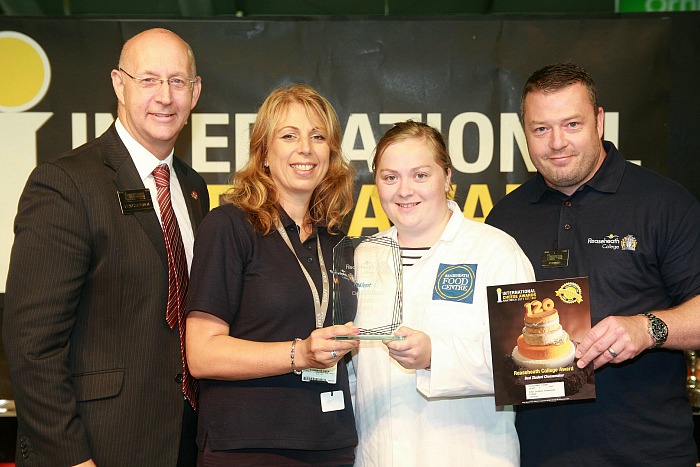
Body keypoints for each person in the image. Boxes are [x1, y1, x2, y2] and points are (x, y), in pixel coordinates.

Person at [2, 28, 208, 466]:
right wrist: (72, 458)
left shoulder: (193, 189)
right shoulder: (65, 184)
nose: (165, 96)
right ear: (119, 84)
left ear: (195, 92)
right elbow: (31, 345)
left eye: (177, 81)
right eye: (148, 79)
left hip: (179, 444)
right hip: (95, 448)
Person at [486, 62, 700, 466]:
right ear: (525, 133)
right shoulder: (505, 218)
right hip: (536, 454)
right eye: (540, 129)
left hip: (648, 452)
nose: (556, 143)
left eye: (571, 124)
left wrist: (648, 328)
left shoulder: (664, 203)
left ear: (599, 122)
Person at [185, 83, 359, 465]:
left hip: (331, 444)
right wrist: (300, 354)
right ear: (264, 153)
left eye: (318, 136)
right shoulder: (229, 226)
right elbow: (201, 353)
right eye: (289, 135)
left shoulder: (337, 240)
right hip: (249, 446)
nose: (306, 148)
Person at [352, 120, 536, 466]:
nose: (404, 190)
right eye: (390, 177)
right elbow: (354, 372)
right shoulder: (364, 256)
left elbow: (526, 367)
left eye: (420, 175)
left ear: (448, 177)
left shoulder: (496, 252)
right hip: (378, 455)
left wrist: (436, 356)